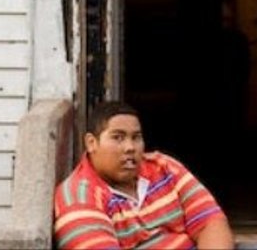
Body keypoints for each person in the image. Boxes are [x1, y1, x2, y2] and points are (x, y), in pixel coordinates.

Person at [53, 100, 236, 250]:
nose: (130, 147)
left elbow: (210, 223)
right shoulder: (77, 196)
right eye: (118, 137)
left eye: (136, 137)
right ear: (91, 143)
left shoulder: (164, 167)